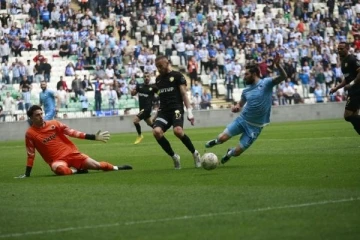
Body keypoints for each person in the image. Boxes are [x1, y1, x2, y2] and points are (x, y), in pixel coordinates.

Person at [205, 55, 287, 164]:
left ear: (254, 74)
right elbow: (240, 104)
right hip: (242, 120)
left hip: (255, 127)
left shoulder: (266, 83)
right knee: (222, 138)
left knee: (237, 152)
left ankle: (229, 153)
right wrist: (237, 107)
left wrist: (278, 65)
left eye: (246, 74)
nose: (244, 77)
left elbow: (283, 76)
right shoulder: (246, 91)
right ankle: (216, 141)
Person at [15, 105, 132, 178]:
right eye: (37, 115)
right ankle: (76, 170)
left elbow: (72, 132)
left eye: (41, 114)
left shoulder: (54, 124)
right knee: (60, 170)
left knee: (97, 165)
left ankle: (117, 168)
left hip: (72, 154)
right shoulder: (30, 134)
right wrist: (27, 174)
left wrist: (93, 137)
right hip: (57, 160)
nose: (41, 116)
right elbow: (31, 155)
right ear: (31, 118)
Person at [152, 55, 201, 169]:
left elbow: (184, 94)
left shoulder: (177, 76)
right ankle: (174, 157)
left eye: (161, 66)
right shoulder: (158, 79)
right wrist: (156, 114)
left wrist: (189, 111)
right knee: (156, 132)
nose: (159, 69)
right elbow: (162, 97)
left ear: (167, 63)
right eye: (157, 67)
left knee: (178, 131)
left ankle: (195, 153)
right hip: (164, 111)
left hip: (176, 109)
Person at [330, 42, 360, 135]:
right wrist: (336, 88)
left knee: (347, 115)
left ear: (347, 49)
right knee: (354, 116)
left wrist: (352, 83)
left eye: (341, 49)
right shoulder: (344, 62)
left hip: (357, 90)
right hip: (353, 90)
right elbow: (346, 79)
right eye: (338, 49)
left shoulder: (352, 59)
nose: (339, 50)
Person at [130, 73, 155, 144]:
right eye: (145, 76)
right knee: (150, 123)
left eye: (148, 76)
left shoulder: (153, 87)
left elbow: (160, 94)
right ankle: (160, 130)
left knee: (135, 121)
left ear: (150, 78)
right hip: (141, 108)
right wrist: (132, 90)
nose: (146, 78)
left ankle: (140, 135)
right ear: (143, 78)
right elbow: (133, 94)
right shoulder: (139, 86)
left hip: (147, 108)